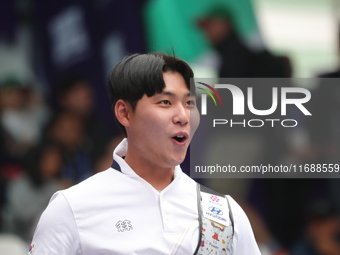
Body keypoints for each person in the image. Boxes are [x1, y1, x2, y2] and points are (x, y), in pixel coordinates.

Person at [28, 53, 260, 254]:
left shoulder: (223, 213)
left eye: (189, 103)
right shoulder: (72, 207)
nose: (183, 116)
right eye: (166, 102)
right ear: (124, 113)